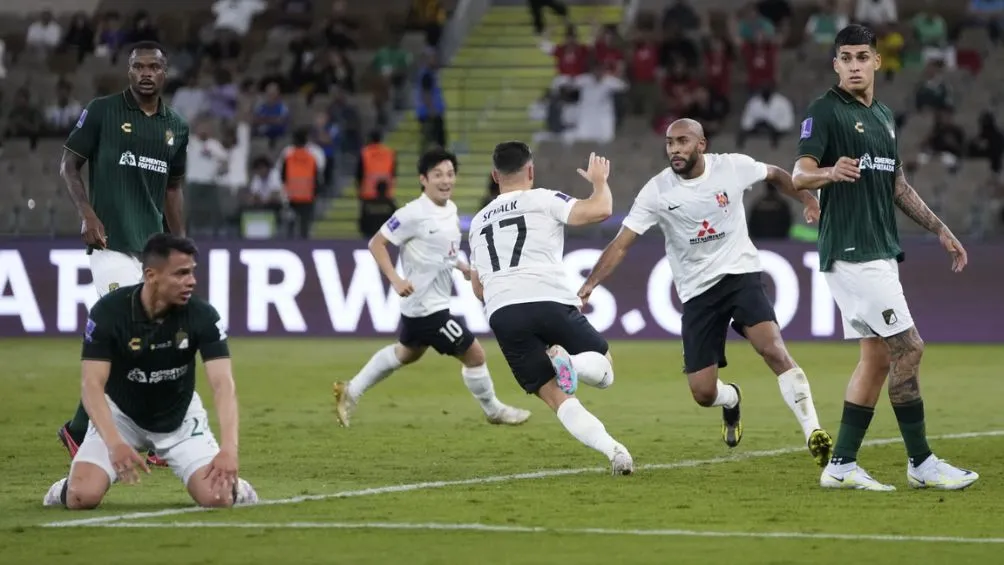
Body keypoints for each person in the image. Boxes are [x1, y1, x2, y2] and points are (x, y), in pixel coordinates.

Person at [577, 119, 833, 468]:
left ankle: (813, 431)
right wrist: (590, 283)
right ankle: (731, 399)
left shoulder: (731, 167)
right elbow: (621, 243)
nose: (674, 149)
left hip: (740, 274)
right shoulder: (657, 191)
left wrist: (807, 198)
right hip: (697, 292)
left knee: (773, 348)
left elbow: (774, 173)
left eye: (683, 141)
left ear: (702, 144)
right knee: (703, 392)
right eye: (670, 143)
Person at [792, 24, 977, 491]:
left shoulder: (884, 117)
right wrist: (829, 172)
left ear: (877, 61)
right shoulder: (825, 110)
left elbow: (898, 186)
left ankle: (841, 466)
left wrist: (939, 228)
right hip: (853, 252)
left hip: (879, 250)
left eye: (862, 57)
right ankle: (921, 462)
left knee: (876, 358)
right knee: (909, 348)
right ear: (835, 64)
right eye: (846, 58)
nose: (854, 66)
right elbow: (799, 175)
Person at [43, 234, 258, 509]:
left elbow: (222, 384)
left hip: (179, 418)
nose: (191, 281)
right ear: (151, 275)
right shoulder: (109, 313)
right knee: (81, 497)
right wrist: (114, 442)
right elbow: (91, 384)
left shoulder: (202, 315)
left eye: (192, 272)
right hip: (119, 416)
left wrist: (229, 449)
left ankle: (237, 488)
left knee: (217, 498)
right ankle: (66, 487)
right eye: (180, 273)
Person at [58, 40, 190, 468]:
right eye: (138, 66)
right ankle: (100, 433)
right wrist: (87, 213)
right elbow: (69, 164)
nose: (146, 73)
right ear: (129, 71)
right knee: (131, 331)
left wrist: (180, 244)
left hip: (151, 250)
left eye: (154, 66)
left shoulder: (176, 127)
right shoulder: (103, 111)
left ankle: (85, 429)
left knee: (147, 342)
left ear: (165, 72)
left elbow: (173, 188)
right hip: (109, 244)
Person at [334, 148, 532, 427]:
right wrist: (395, 279)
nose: (445, 180)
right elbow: (376, 243)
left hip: (425, 304)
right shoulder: (411, 214)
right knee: (475, 354)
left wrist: (462, 266)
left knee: (405, 353)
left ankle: (350, 391)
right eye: (437, 175)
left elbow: (443, 252)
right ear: (423, 179)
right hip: (427, 308)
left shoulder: (450, 210)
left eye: (450, 174)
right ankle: (494, 411)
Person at [468, 142, 633, 475]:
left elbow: (477, 287)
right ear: (530, 170)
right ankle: (572, 362)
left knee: (557, 397)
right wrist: (599, 182)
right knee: (605, 369)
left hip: (503, 311)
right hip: (547, 298)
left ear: (495, 176)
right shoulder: (544, 199)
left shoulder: (477, 222)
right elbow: (600, 209)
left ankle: (615, 452)